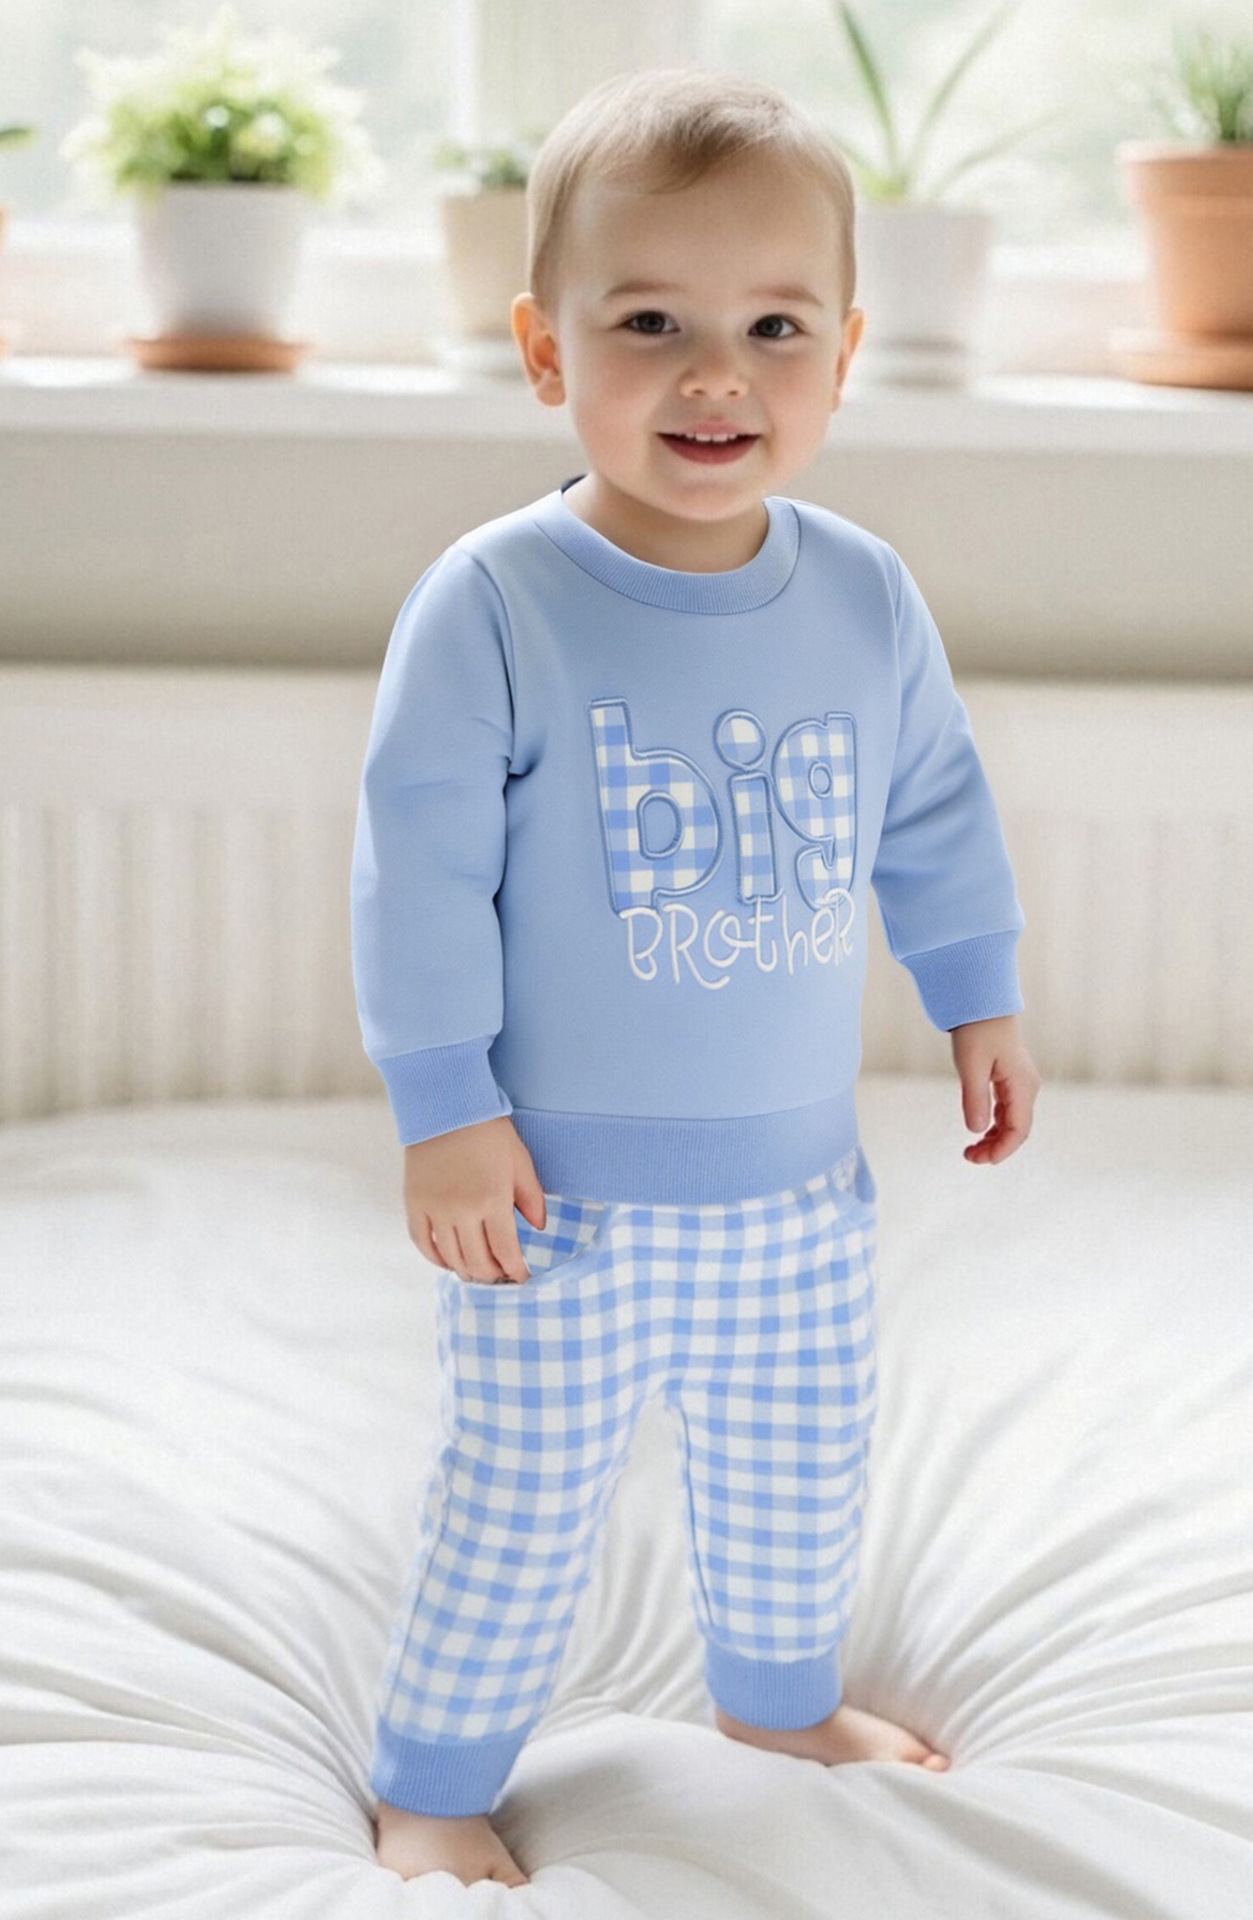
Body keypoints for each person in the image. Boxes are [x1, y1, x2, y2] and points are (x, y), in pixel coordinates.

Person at [351, 65, 1041, 1889]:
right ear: (546, 349)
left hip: (796, 1194)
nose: (714, 375)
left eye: (772, 328)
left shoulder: (865, 595)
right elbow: (420, 875)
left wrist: (976, 993)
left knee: (797, 1478)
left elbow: (931, 807)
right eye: (650, 323)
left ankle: (778, 1702)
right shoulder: (496, 601)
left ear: (844, 354)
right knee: (518, 1511)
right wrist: (445, 1110)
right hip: (552, 1202)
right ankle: (433, 1778)